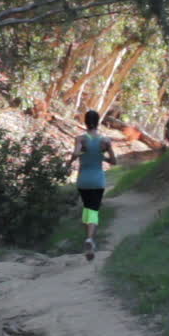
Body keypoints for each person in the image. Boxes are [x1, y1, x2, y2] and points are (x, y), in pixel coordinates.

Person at [69, 109, 116, 261]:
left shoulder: (80, 139)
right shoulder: (105, 141)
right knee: (93, 210)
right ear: (98, 121)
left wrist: (69, 162)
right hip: (98, 180)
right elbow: (114, 161)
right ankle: (90, 239)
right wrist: (102, 158)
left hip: (83, 179)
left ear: (85, 122)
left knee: (88, 208)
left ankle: (88, 239)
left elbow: (75, 154)